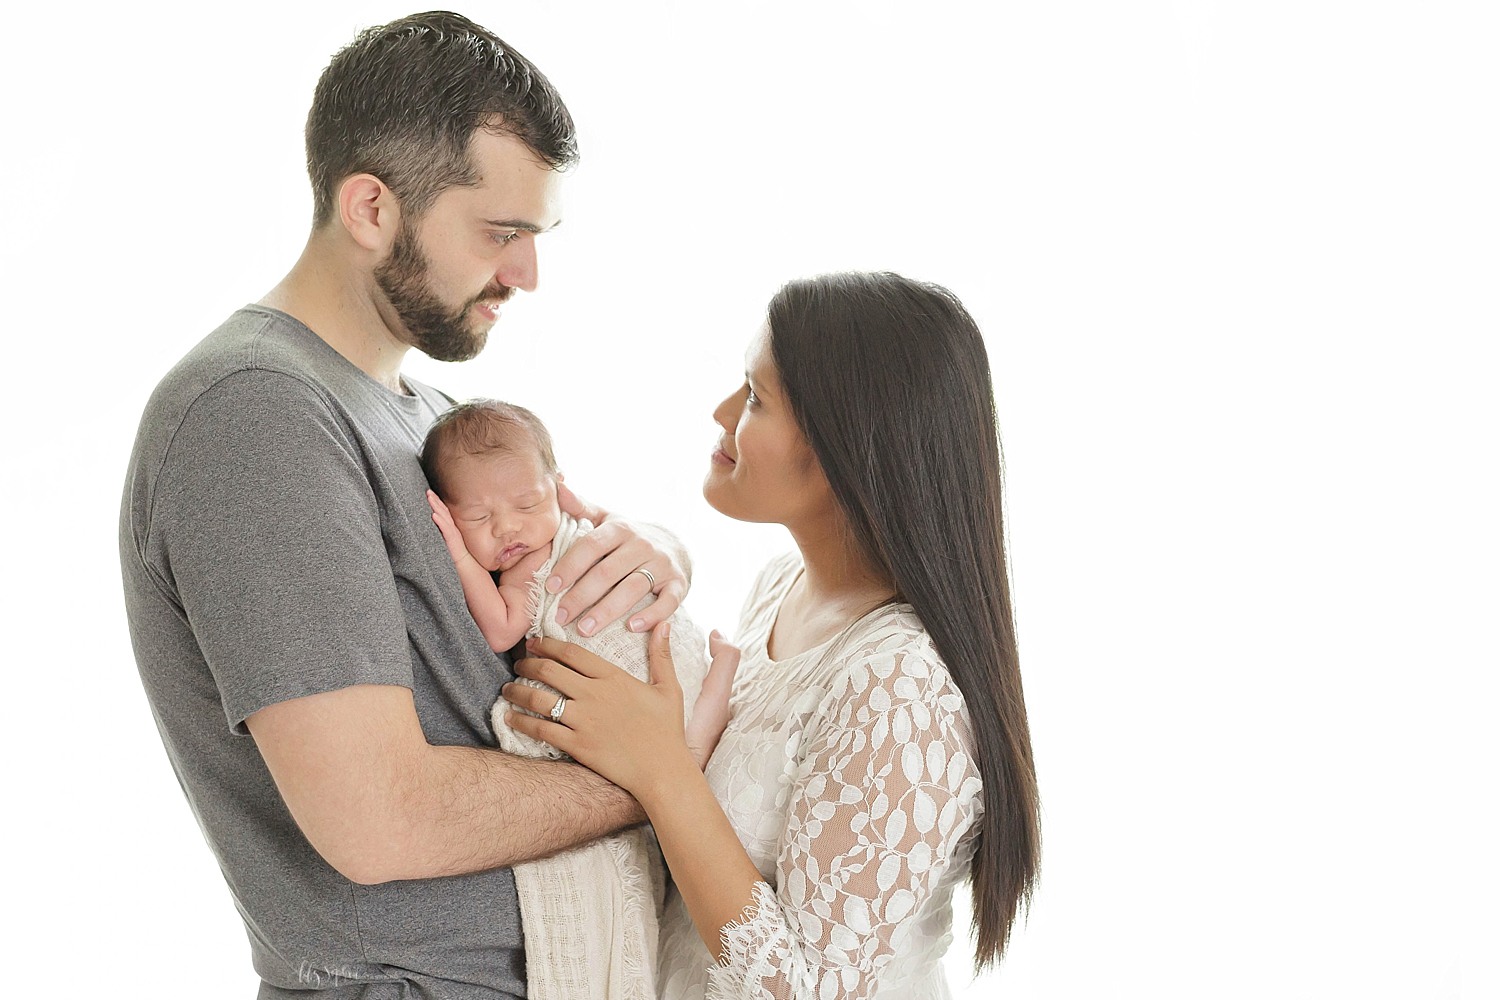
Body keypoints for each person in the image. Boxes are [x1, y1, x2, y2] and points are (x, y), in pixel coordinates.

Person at [119, 12, 704, 999]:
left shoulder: (429, 419)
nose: (526, 274)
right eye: (501, 232)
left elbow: (540, 590)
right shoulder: (258, 414)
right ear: (371, 209)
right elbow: (380, 817)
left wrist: (652, 553)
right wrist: (660, 774)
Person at [500, 271, 1043, 998]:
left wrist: (660, 770)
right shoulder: (780, 587)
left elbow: (811, 989)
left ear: (848, 447)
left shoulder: (901, 685)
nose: (721, 411)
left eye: (755, 398)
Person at [418, 398, 737, 1000]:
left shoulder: (560, 546)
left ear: (559, 490)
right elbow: (505, 626)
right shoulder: (527, 554)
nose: (507, 529)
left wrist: (463, 553)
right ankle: (714, 687)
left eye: (526, 506)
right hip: (637, 699)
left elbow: (502, 631)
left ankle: (712, 684)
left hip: (633, 653)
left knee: (671, 657)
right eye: (476, 519)